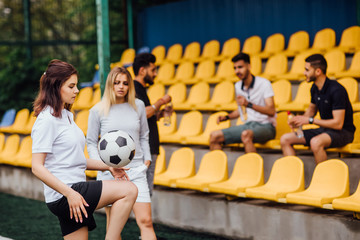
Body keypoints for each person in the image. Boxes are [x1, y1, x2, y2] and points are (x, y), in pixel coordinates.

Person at [31, 59, 137, 240]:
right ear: (57, 87)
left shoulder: (66, 115)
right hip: (67, 193)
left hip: (71, 193)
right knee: (129, 190)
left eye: (76, 85)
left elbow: (76, 161)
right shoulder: (46, 120)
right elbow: (37, 167)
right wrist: (70, 194)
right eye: (71, 86)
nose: (77, 90)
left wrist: (109, 167)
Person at [87, 66, 157, 240]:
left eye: (125, 83)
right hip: (110, 173)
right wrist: (104, 167)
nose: (121, 87)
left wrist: (146, 160)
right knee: (114, 228)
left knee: (146, 221)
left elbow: (144, 136)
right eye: (116, 83)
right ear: (110, 84)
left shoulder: (138, 106)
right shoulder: (97, 110)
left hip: (136, 170)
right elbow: (90, 142)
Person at [280, 54, 355, 164]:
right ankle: (293, 176)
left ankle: (322, 179)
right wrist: (298, 120)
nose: (304, 73)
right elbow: (311, 111)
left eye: (307, 70)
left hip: (343, 132)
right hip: (324, 131)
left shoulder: (337, 90)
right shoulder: (314, 88)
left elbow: (338, 124)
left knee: (315, 142)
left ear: (318, 71)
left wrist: (310, 121)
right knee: (285, 139)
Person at [209, 52, 276, 152]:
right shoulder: (237, 86)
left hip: (266, 126)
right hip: (248, 125)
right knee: (214, 136)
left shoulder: (264, 83)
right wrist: (227, 117)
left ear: (249, 66)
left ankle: (252, 167)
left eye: (240, 67)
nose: (237, 71)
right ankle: (218, 167)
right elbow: (241, 110)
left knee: (246, 135)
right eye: (235, 68)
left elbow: (271, 111)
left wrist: (248, 104)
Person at [132, 53, 172, 196]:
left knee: (146, 192)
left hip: (149, 148)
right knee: (144, 193)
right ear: (143, 70)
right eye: (153, 70)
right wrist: (161, 102)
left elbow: (145, 117)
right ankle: (143, 219)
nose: (155, 74)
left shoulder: (141, 89)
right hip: (144, 150)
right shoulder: (134, 88)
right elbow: (140, 113)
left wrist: (160, 114)